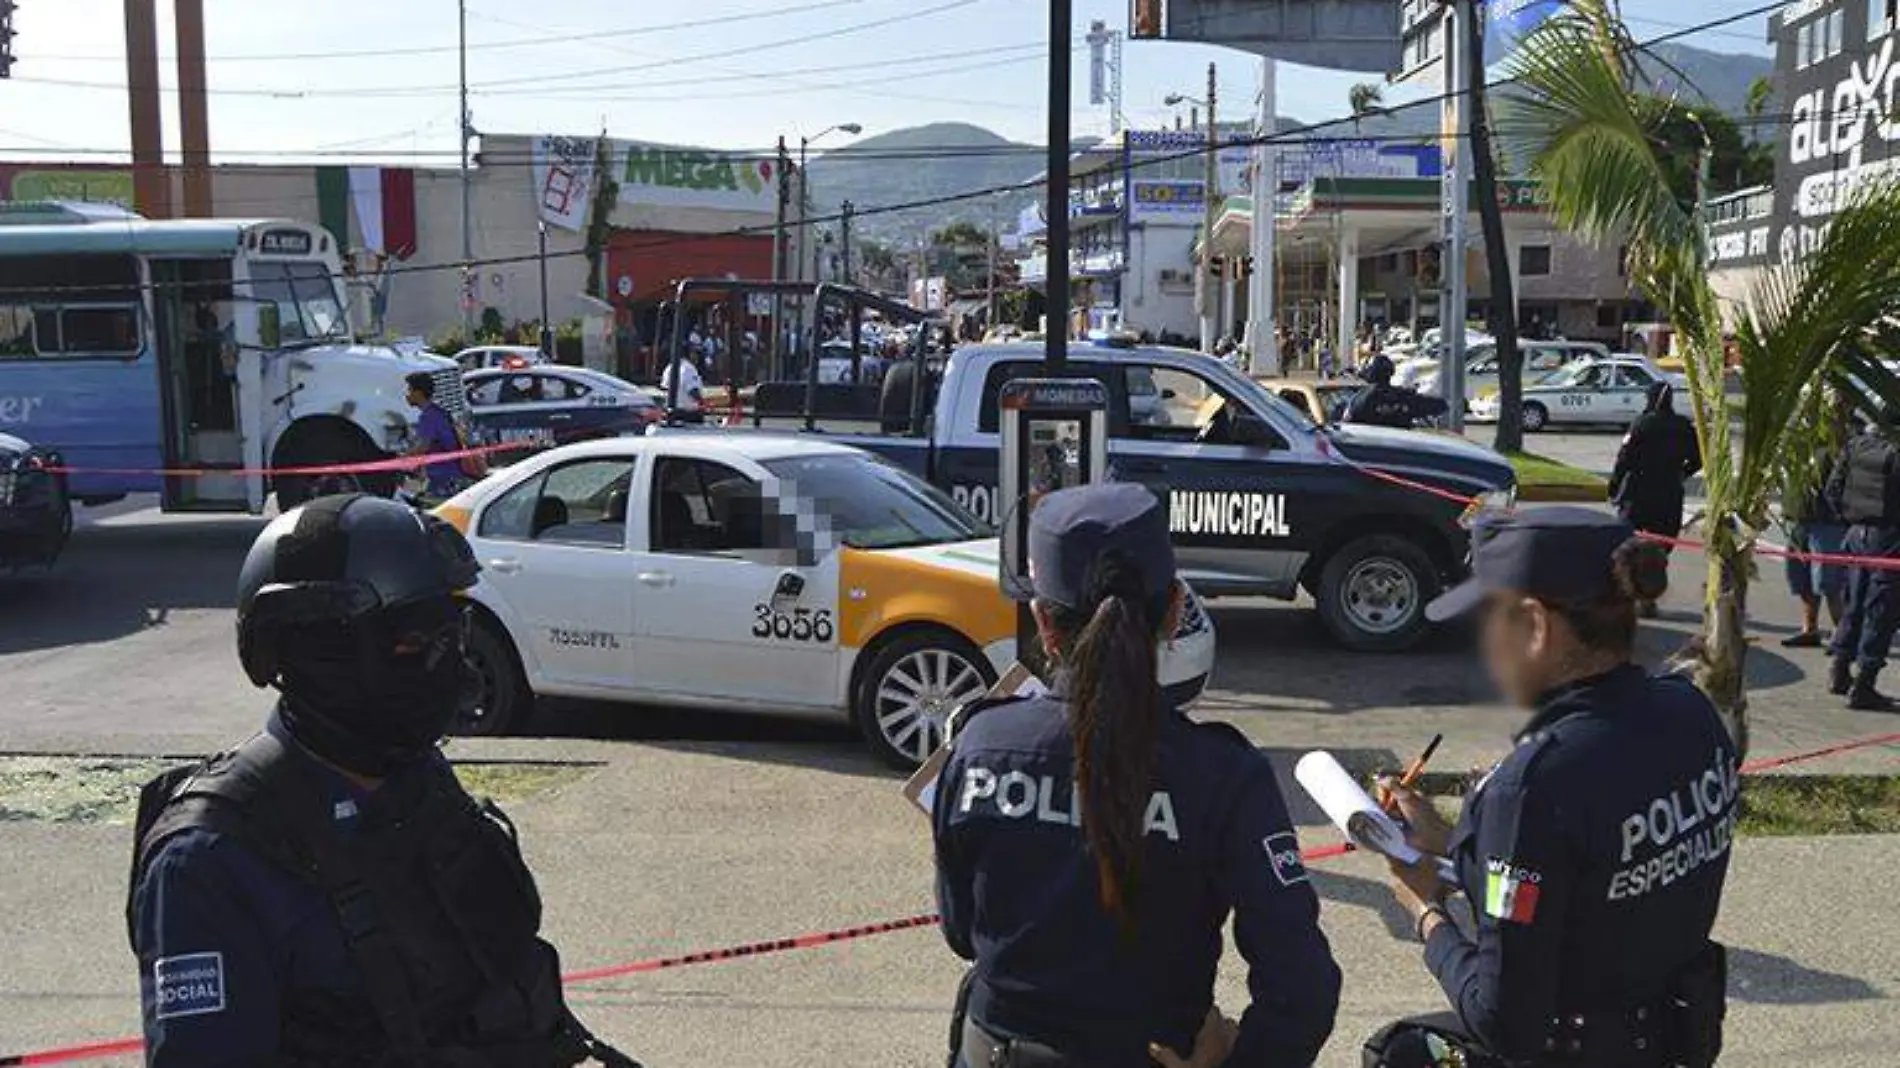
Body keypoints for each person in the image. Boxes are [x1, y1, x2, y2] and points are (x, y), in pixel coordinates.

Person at [128, 494, 638, 1067]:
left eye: (453, 636)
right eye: (417, 644)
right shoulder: (211, 861)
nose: (451, 666)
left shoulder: (417, 779)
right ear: (319, 654)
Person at [933, 483, 1341, 1068]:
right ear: (1174, 612)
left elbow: (961, 933)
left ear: (1044, 623)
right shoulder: (1222, 775)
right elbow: (1301, 987)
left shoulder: (979, 744)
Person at [1365, 508, 1736, 1068]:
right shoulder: (1689, 712)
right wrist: (1452, 839)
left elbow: (1502, 1022)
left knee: (1398, 1053)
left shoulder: (1534, 785)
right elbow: (1588, 871)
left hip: (1572, 1049)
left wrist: (1425, 911)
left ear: (1535, 625)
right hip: (1671, 1039)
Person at [1825, 414, 1900, 709]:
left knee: (1853, 605)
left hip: (1857, 535)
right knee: (1881, 611)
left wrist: (1850, 521)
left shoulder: (1856, 445)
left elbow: (1833, 489)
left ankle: (1840, 671)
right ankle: (1864, 684)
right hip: (1891, 537)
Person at [1608, 382, 1701, 618]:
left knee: (1627, 545)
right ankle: (1648, 599)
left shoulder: (1641, 424)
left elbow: (1624, 459)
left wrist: (1614, 485)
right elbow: (1698, 460)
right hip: (1669, 494)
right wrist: (1681, 473)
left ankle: (1629, 594)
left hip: (1638, 494)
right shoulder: (1683, 426)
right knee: (1661, 548)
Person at [1782, 421, 1850, 648]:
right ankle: (1809, 629)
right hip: (1800, 518)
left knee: (1829, 582)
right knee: (1801, 578)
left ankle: (1842, 634)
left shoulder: (1839, 447)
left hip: (1827, 521)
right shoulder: (1798, 444)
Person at [404, 371, 466, 501]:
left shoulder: (429, 417)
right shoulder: (439, 412)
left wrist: (399, 461)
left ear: (418, 393)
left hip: (443, 479)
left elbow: (422, 448)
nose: (407, 395)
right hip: (452, 475)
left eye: (409, 390)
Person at [1346, 354, 1450, 429]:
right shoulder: (1403, 397)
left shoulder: (1357, 399)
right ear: (1391, 373)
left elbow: (1347, 425)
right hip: (1400, 451)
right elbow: (1437, 405)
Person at [659, 350, 705, 424]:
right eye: (695, 354)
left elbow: (664, 388)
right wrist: (703, 402)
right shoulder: (689, 368)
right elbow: (693, 391)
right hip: (689, 414)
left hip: (670, 412)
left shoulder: (669, 367)